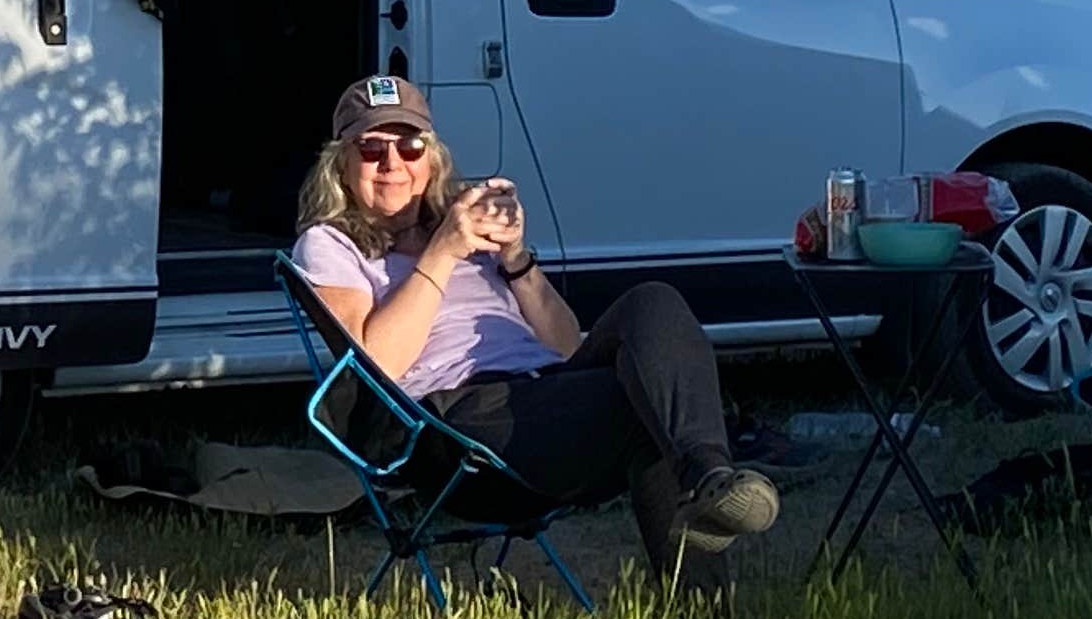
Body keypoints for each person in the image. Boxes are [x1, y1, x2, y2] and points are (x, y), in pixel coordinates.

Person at [292, 75, 778, 576]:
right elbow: (377, 368)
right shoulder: (331, 245)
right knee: (649, 410)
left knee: (654, 304)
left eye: (411, 146)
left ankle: (709, 476)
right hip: (457, 431)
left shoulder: (462, 227)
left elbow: (568, 348)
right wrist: (443, 253)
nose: (393, 163)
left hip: (550, 399)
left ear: (431, 160)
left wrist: (515, 258)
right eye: (371, 147)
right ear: (341, 166)